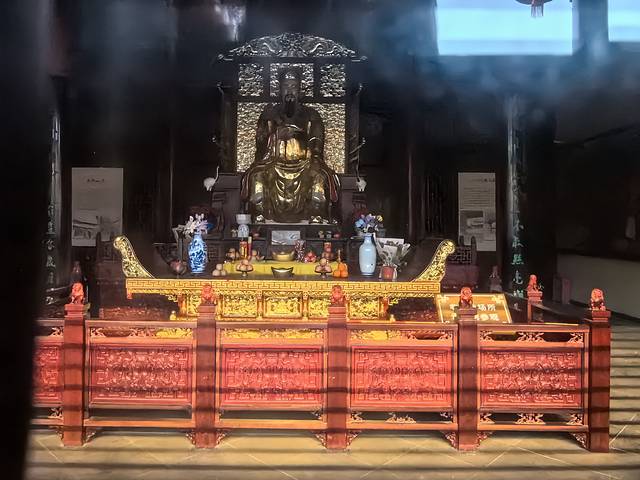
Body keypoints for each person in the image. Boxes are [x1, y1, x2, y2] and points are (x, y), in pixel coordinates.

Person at [241, 67, 339, 223]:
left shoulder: (311, 114)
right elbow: (260, 142)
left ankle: (316, 217)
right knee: (257, 175)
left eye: (294, 86)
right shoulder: (270, 114)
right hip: (274, 162)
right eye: (286, 86)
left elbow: (317, 141)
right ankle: (261, 217)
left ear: (300, 90)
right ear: (280, 89)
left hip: (304, 163)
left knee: (318, 175)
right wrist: (274, 136)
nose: (290, 90)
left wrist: (302, 141)